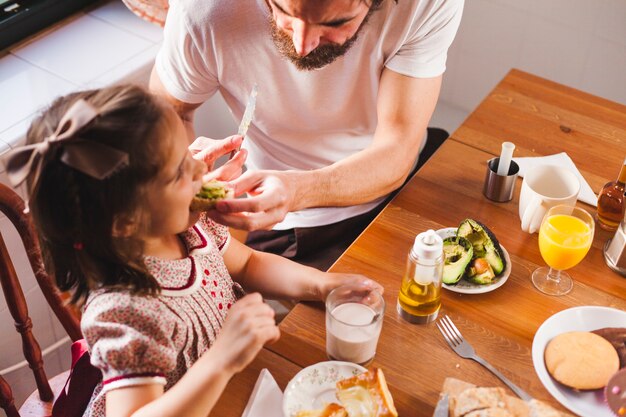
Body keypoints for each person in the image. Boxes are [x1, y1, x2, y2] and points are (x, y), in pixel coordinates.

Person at [3, 85, 381, 417]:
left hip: (231, 387)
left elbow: (249, 263)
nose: (201, 170)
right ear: (127, 222)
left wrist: (324, 286)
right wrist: (221, 358)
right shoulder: (124, 312)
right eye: (179, 172)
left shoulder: (188, 226)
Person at [150, 0, 464, 270]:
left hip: (408, 182)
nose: (302, 44)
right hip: (298, 226)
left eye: (335, 22)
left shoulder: (424, 4)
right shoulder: (203, 10)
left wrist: (300, 190)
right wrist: (183, 170)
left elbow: (398, 146)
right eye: (281, 10)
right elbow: (168, 112)